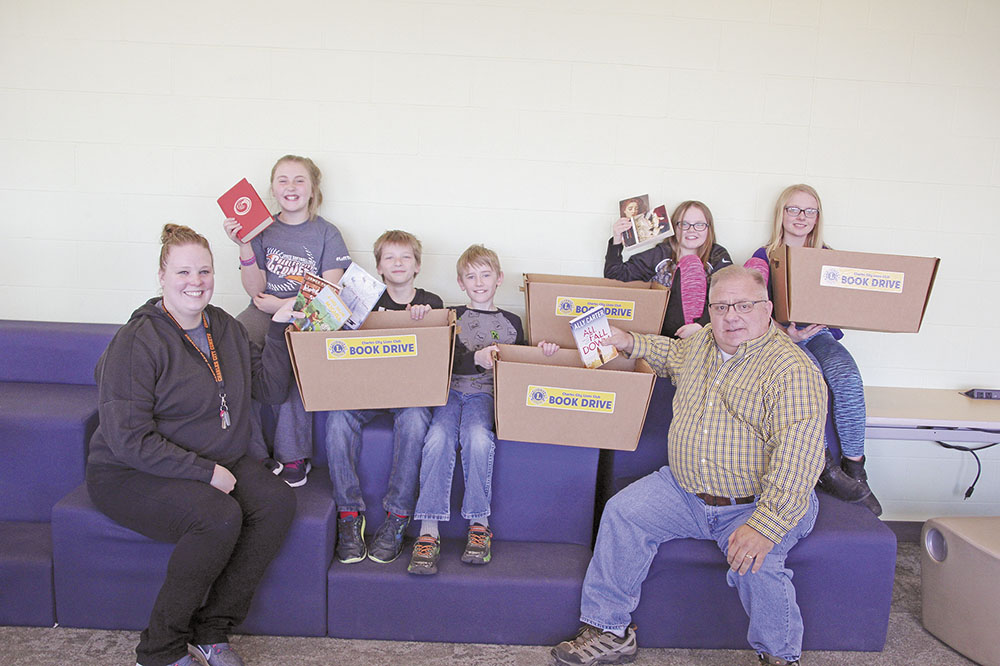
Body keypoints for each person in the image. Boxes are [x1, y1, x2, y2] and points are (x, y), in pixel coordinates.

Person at [551, 266, 827, 666]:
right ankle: (609, 631)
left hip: (756, 502)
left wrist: (765, 526)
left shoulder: (792, 370)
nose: (731, 315)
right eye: (721, 306)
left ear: (766, 309)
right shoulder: (702, 346)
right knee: (623, 512)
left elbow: (799, 461)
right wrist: (628, 341)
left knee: (758, 564)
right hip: (685, 490)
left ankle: (781, 657)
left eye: (744, 305)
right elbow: (671, 354)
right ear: (710, 310)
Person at [86, 224, 300, 666]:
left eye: (204, 271)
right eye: (184, 271)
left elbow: (271, 389)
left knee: (276, 502)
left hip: (212, 456)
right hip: (131, 472)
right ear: (162, 275)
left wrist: (279, 328)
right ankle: (160, 649)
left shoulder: (224, 327)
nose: (195, 282)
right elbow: (128, 439)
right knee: (217, 516)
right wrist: (206, 474)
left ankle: (211, 628)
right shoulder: (137, 340)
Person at [406, 244, 558, 575]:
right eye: (470, 277)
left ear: (499, 279)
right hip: (448, 394)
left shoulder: (513, 321)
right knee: (436, 438)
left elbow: (521, 364)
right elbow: (438, 358)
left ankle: (479, 523)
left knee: (477, 437)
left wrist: (545, 351)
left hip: (484, 398)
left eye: (485, 275)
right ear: (460, 283)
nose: (479, 282)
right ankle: (428, 531)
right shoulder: (451, 314)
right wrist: (473, 358)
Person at [744, 184, 881, 515]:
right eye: (793, 209)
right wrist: (785, 332)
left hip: (818, 334)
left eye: (809, 211)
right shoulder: (762, 258)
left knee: (846, 375)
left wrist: (825, 320)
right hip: (780, 338)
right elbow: (751, 307)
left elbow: (844, 305)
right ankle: (823, 466)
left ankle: (855, 470)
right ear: (781, 214)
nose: (801, 217)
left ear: (818, 217)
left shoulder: (829, 258)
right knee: (808, 378)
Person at [223, 155, 352, 488]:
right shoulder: (262, 231)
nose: (290, 187)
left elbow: (329, 295)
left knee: (291, 358)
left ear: (312, 189)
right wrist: (245, 244)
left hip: (307, 316)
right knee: (233, 347)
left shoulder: (327, 233)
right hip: (262, 313)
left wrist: (283, 304)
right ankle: (248, 453)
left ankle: (293, 456)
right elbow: (254, 290)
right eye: (283, 180)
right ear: (272, 188)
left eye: (299, 180)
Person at [324, 230, 444, 565]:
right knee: (337, 417)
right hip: (367, 391)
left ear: (417, 265)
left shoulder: (432, 303)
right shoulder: (364, 300)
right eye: (389, 257)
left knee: (417, 417)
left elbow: (436, 357)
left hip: (409, 394)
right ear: (378, 266)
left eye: (406, 257)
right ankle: (349, 515)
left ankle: (397, 517)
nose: (398, 263)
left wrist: (423, 320)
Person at [605, 200, 732, 339]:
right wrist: (617, 238)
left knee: (694, 266)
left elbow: (731, 296)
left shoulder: (717, 255)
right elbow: (615, 275)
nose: (691, 230)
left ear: (709, 228)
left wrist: (700, 326)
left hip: (706, 332)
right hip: (665, 334)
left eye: (699, 225)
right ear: (674, 227)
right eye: (684, 224)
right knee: (689, 265)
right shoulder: (661, 254)